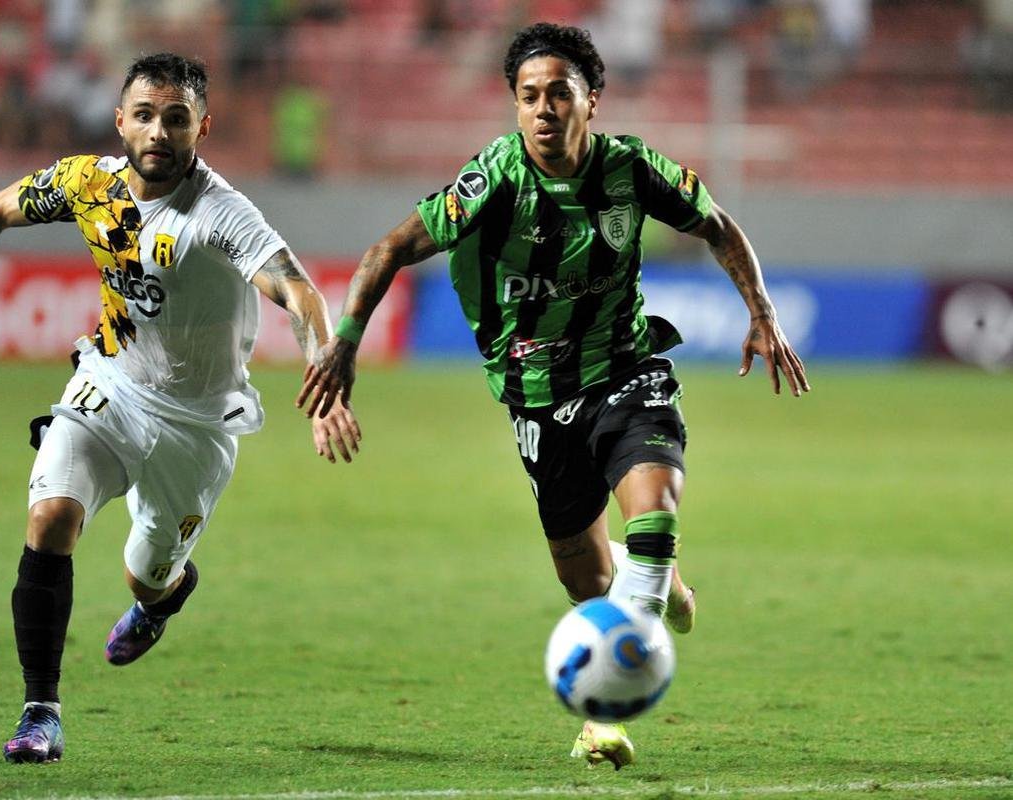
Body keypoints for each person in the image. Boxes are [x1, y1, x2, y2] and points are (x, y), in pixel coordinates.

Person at [298, 22, 809, 769]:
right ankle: (660, 584)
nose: (543, 109)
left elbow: (717, 225)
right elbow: (388, 250)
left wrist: (760, 313)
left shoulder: (631, 171)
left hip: (626, 368)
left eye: (558, 94)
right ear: (513, 105)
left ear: (590, 102)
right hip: (536, 395)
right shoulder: (495, 178)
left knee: (654, 509)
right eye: (528, 96)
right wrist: (343, 343)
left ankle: (605, 713)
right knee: (586, 575)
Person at [0, 53, 361, 764]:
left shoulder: (219, 212)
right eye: (145, 114)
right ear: (120, 120)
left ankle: (161, 598)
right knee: (50, 517)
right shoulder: (86, 183)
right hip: (109, 383)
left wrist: (323, 381)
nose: (158, 130)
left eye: (176, 117)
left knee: (147, 573)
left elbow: (298, 291)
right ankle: (42, 711)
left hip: (197, 423)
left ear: (202, 126)